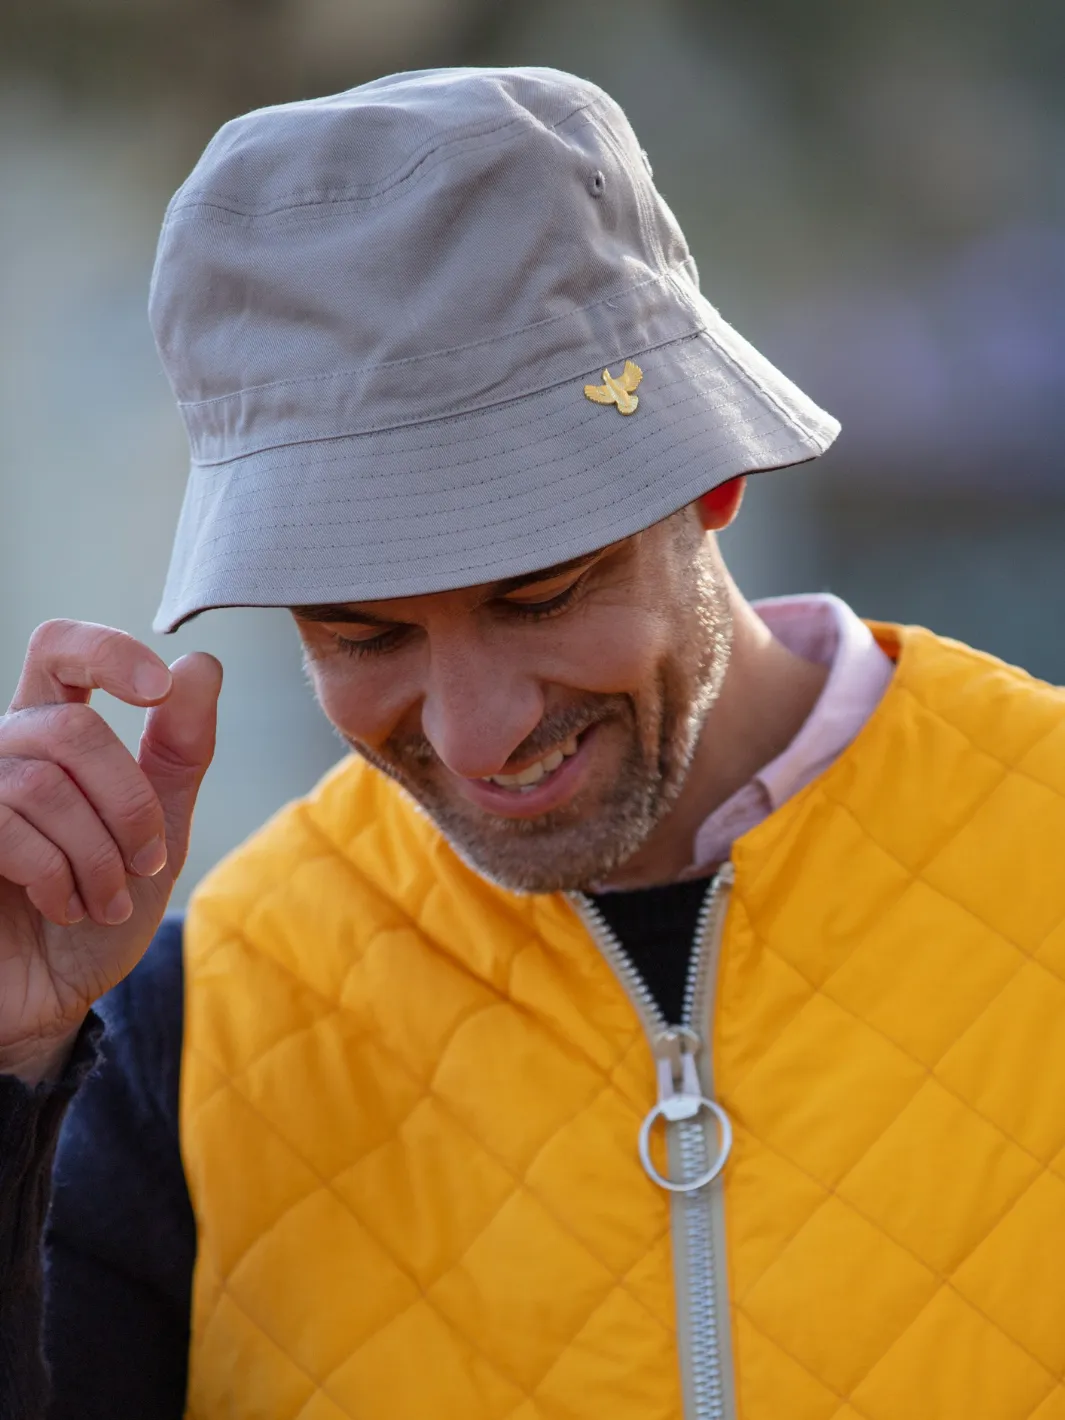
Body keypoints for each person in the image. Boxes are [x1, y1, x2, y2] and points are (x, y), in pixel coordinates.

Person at [1, 65, 1063, 1420]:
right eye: (363, 636)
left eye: (542, 598)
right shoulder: (185, 1031)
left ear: (710, 475)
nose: (476, 729)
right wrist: (12, 1085)